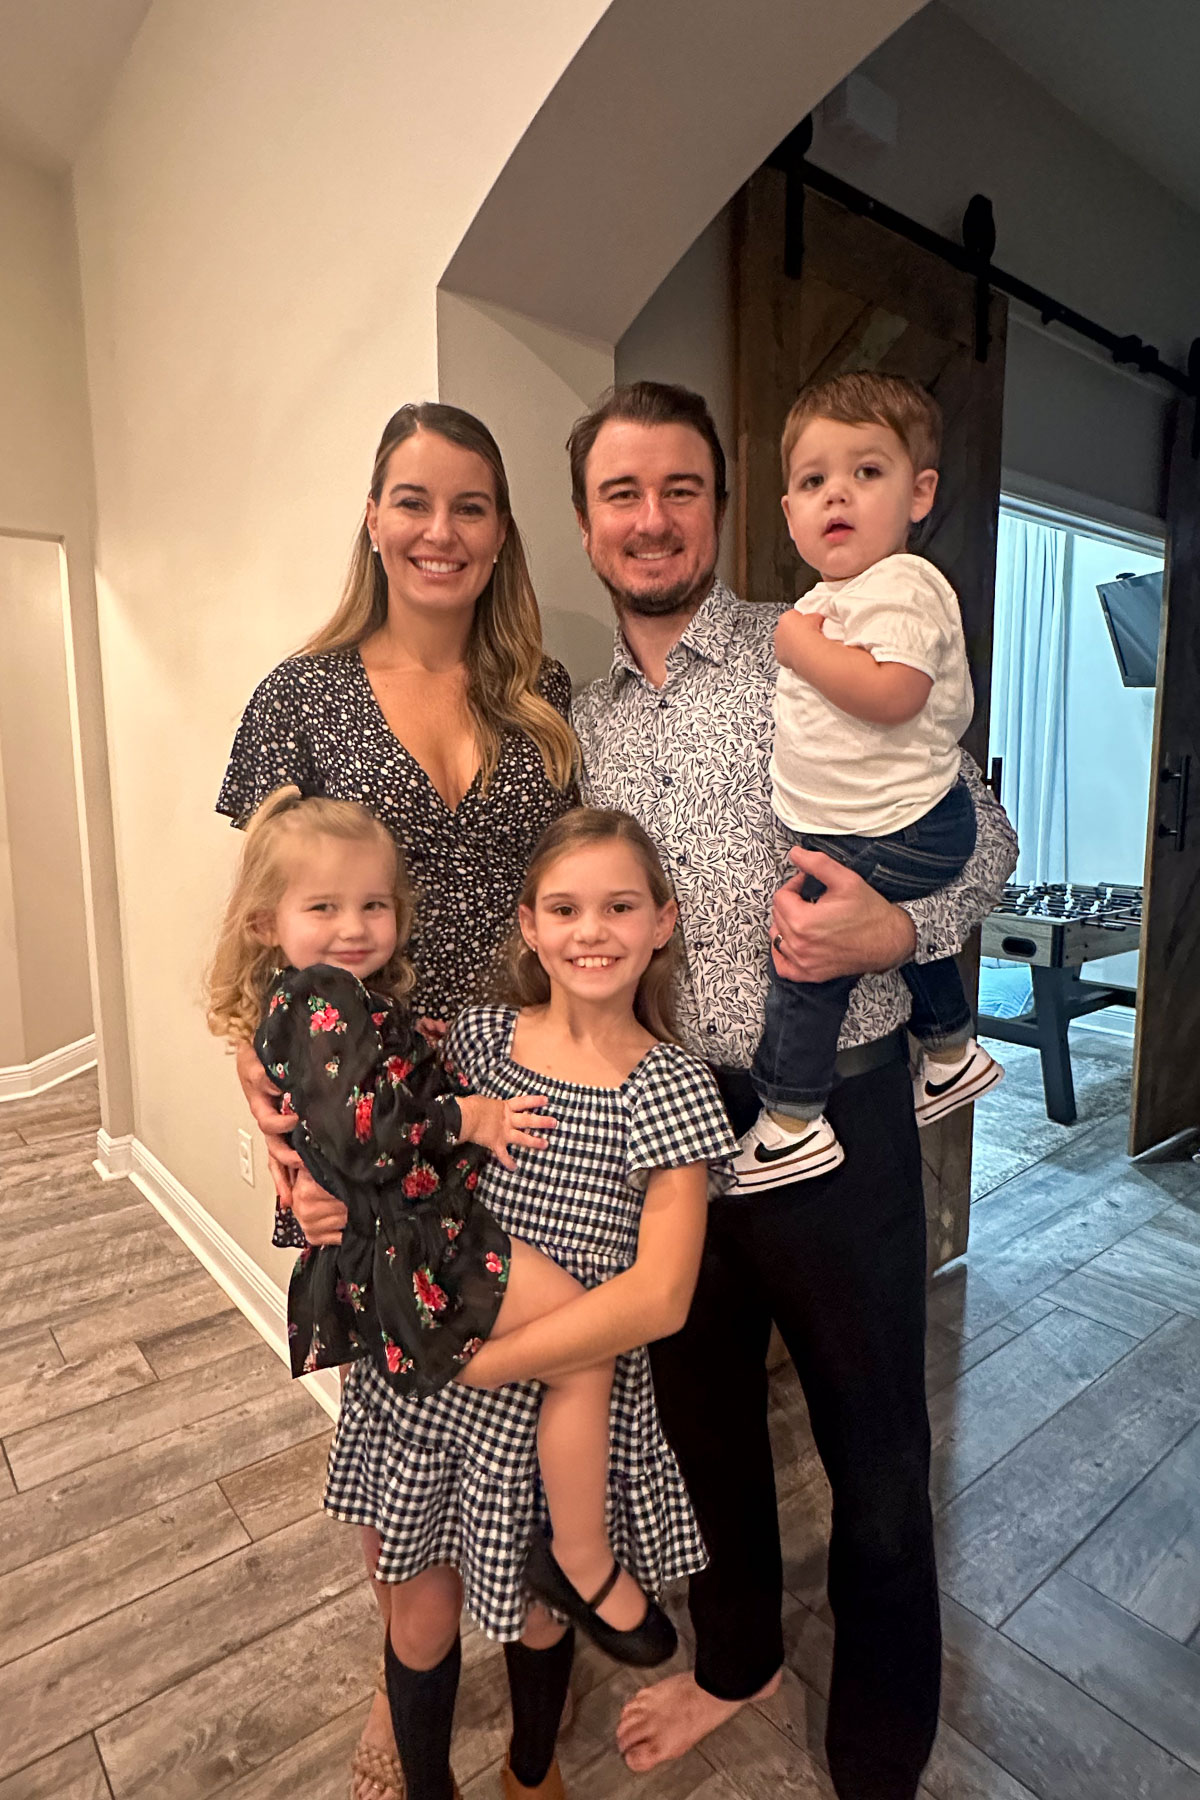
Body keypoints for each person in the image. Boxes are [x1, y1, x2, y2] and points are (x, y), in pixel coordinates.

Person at [569, 380, 1017, 1800]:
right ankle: (742, 1657)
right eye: (621, 493)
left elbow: (985, 834)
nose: (652, 520)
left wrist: (902, 932)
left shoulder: (822, 634)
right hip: (675, 1133)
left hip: (845, 1115)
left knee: (876, 1450)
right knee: (705, 1426)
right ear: (587, 523)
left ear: (723, 505)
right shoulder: (577, 723)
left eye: (680, 488)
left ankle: (881, 1743)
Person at [216, 402, 578, 1800]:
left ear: (501, 532)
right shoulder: (297, 698)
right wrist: (266, 1102)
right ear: (373, 517)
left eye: (472, 506)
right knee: (405, 1423)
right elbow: (257, 920)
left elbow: (573, 906)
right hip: (369, 1116)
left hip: (530, 1098)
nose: (441, 532)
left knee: (539, 1397)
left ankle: (549, 1633)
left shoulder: (537, 695)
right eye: (414, 502)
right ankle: (405, 1684)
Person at [285, 806, 735, 1800]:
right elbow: (371, 1123)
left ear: (662, 921)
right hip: (433, 1381)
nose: (592, 931)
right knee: (422, 1612)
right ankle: (426, 1777)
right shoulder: (479, 1039)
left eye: (620, 906)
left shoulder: (672, 1087)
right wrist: (313, 1185)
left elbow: (660, 1296)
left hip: (551, 1399)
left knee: (542, 1614)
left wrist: (492, 1362)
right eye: (565, 908)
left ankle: (531, 1769)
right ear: (528, 925)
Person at [206, 783, 681, 1671]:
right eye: (325, 907)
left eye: (373, 905)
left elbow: (343, 1099)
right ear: (267, 922)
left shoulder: (341, 1001)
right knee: (584, 1344)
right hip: (422, 1244)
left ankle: (564, 1563)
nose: (354, 926)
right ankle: (578, 1559)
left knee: (578, 1346)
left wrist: (412, 1051)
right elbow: (363, 1128)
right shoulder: (323, 1000)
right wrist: (469, 1116)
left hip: (405, 1235)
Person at [734, 371, 1003, 1193]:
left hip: (907, 825)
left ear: (920, 493)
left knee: (805, 957)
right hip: (884, 822)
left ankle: (790, 1119)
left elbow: (894, 695)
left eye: (867, 473)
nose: (836, 495)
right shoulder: (836, 597)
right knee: (849, 923)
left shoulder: (902, 588)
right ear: (789, 513)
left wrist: (798, 645)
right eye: (814, 482)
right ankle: (952, 1045)